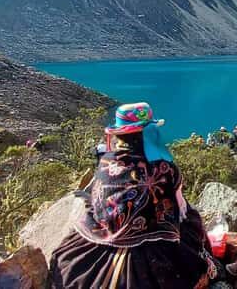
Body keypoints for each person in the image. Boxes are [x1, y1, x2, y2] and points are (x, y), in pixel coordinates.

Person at [51, 103, 224, 288]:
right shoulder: (163, 167)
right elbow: (180, 208)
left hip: (106, 236)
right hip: (154, 250)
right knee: (191, 222)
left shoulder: (106, 161)